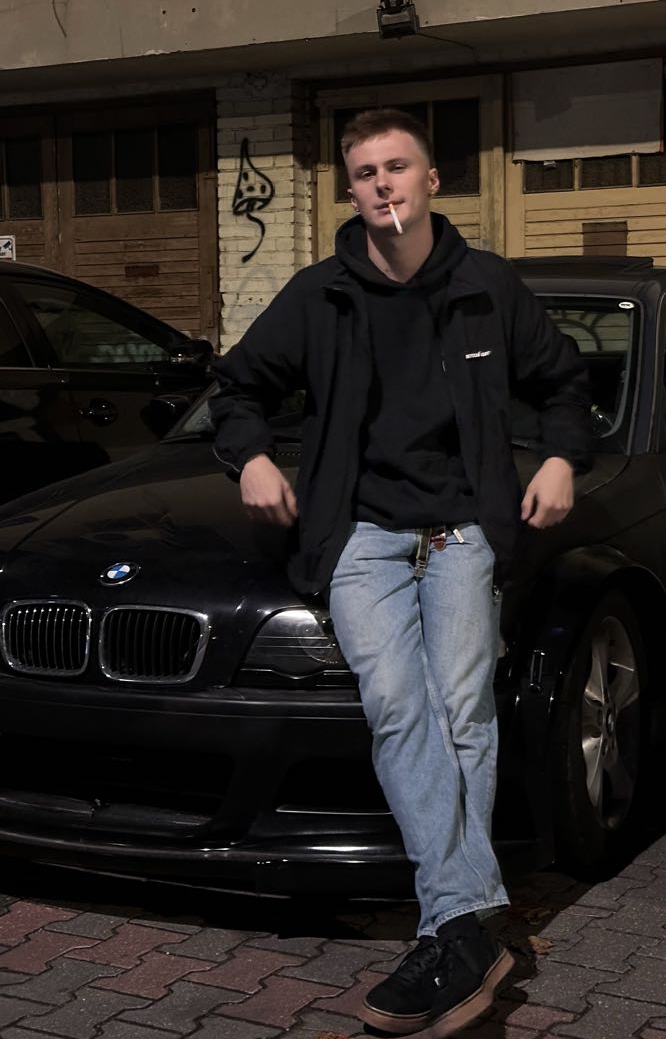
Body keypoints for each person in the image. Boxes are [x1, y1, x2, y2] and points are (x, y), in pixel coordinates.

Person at [210, 108, 591, 1037]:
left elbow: (564, 382)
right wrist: (251, 457)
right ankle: (471, 919)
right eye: (366, 172)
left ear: (431, 181)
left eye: (398, 167)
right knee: (396, 706)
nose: (383, 184)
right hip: (361, 537)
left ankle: (449, 932)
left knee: (462, 714)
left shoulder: (487, 287)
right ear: (352, 191)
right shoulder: (320, 295)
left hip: (462, 533)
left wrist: (559, 458)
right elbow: (239, 386)